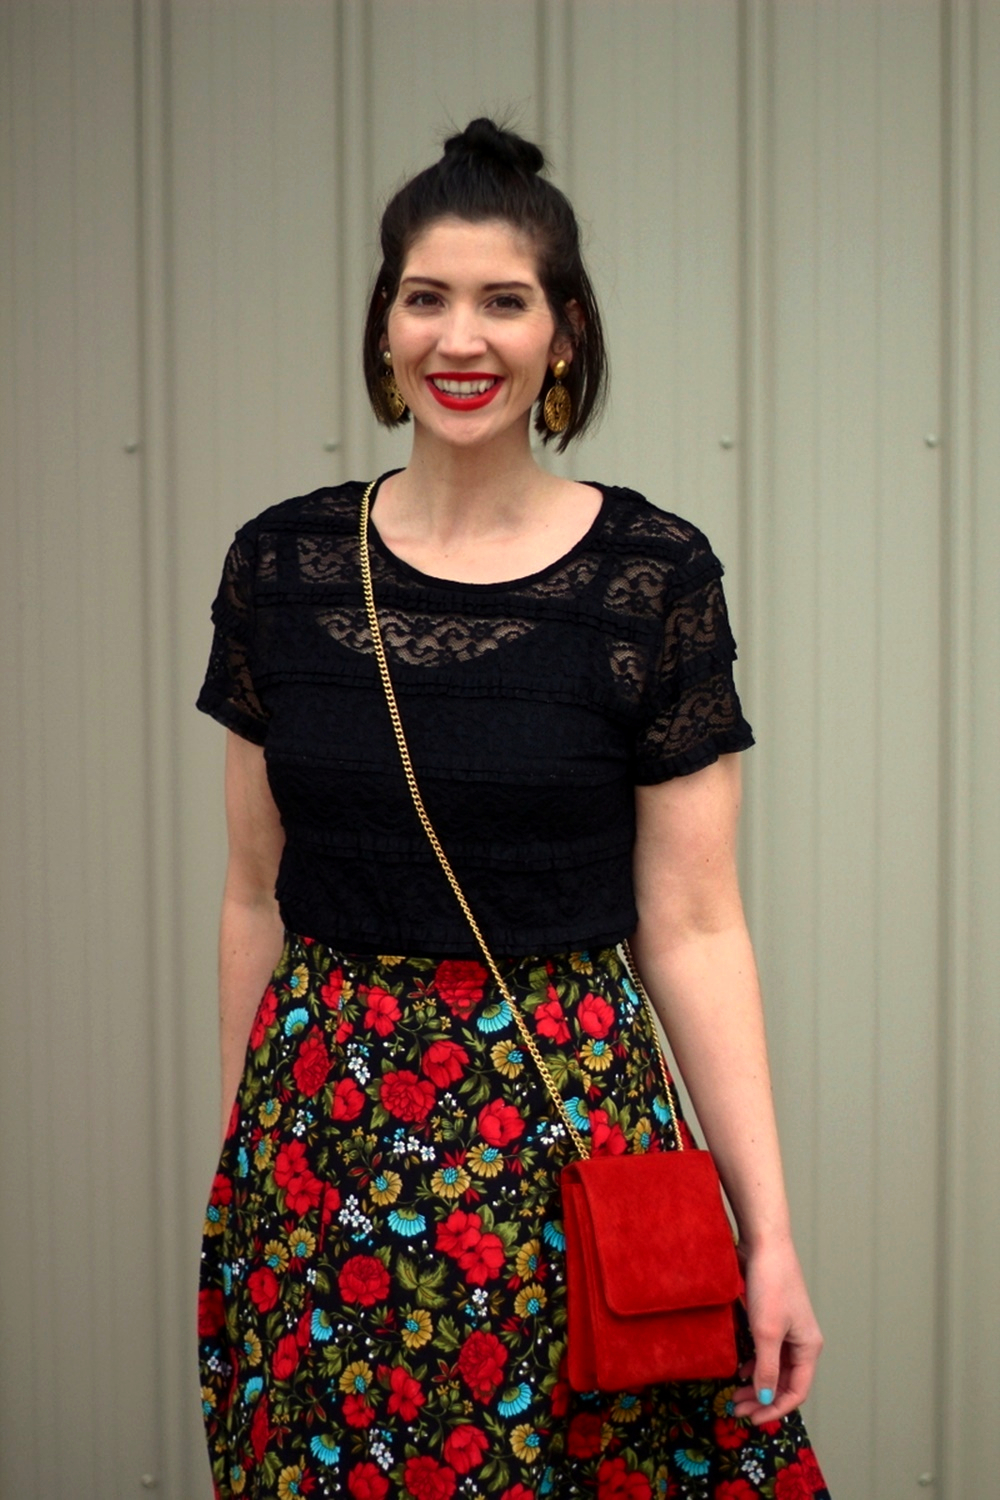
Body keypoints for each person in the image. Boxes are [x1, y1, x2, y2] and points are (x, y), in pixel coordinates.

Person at [196, 118, 829, 1500]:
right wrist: (250, 1169)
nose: (459, 338)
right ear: (384, 324)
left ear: (565, 333)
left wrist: (765, 1233)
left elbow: (699, 923)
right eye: (426, 296)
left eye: (503, 299)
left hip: (570, 1155)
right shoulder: (283, 569)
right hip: (328, 1152)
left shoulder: (650, 578)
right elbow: (257, 894)